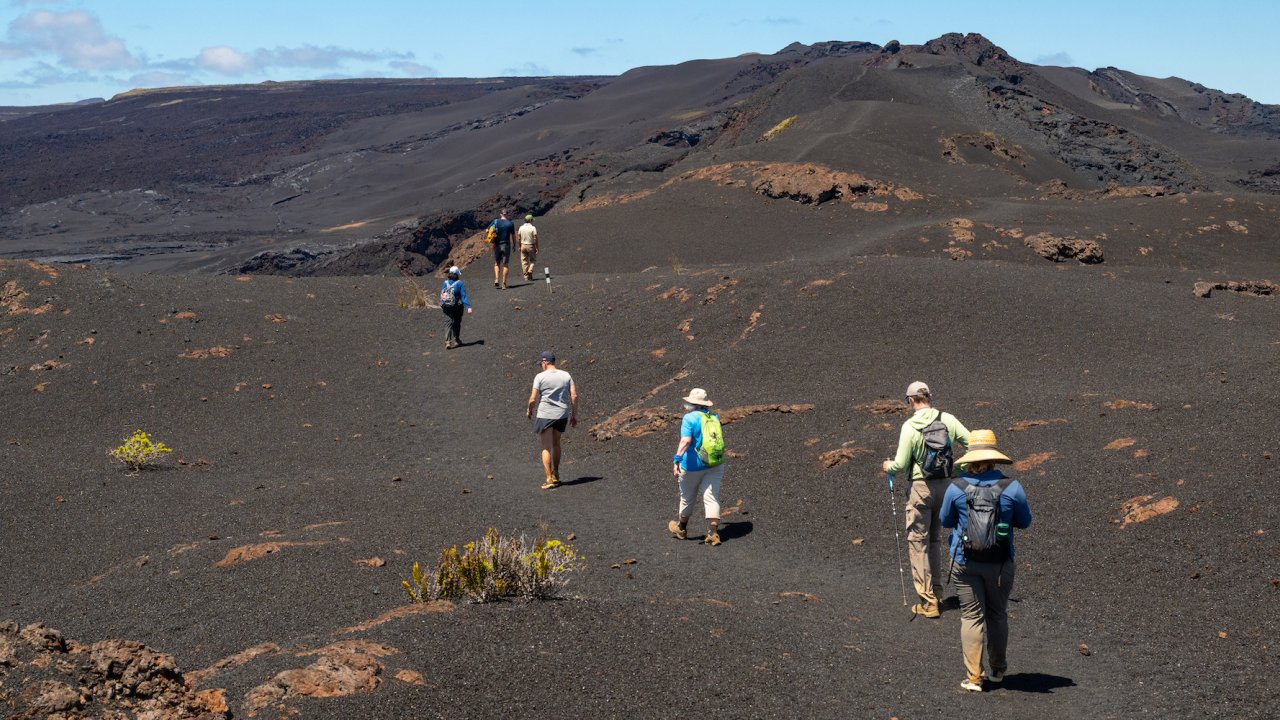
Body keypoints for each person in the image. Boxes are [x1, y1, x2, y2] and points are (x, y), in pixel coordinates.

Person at [939, 429, 1032, 692]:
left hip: (964, 561)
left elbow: (945, 521)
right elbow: (1025, 522)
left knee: (971, 616)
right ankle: (998, 670)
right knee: (997, 614)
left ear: (970, 459)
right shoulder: (1012, 487)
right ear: (994, 457)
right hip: (1000, 563)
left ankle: (974, 677)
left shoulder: (956, 487)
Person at [882, 381, 970, 618]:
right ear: (929, 397)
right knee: (934, 539)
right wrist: (957, 470)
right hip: (945, 487)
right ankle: (938, 594)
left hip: (920, 489)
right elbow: (972, 443)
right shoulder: (947, 419)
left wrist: (888, 466)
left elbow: (900, 464)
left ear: (911, 400)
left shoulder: (909, 426)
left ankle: (928, 602)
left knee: (918, 542)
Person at [668, 388, 726, 546]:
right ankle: (713, 533)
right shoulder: (714, 417)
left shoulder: (689, 418)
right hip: (714, 464)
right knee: (711, 496)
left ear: (692, 404)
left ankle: (681, 528)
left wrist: (677, 459)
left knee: (687, 497)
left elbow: (686, 441)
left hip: (692, 466)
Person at [526, 351, 577, 489]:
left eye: (541, 363)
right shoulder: (566, 375)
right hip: (562, 415)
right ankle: (556, 473)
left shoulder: (540, 377)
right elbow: (574, 396)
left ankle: (548, 478)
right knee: (556, 444)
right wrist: (574, 415)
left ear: (545, 362)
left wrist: (529, 410)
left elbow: (533, 398)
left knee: (546, 447)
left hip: (545, 415)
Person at [438, 266, 471, 349]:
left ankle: (448, 342)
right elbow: (463, 296)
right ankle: (457, 340)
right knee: (457, 322)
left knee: (448, 323)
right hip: (457, 306)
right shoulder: (459, 283)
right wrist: (468, 307)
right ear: (457, 274)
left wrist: (443, 304)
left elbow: (443, 294)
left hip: (446, 306)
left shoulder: (445, 282)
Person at [490, 209, 516, 289]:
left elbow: (488, 230)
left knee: (497, 263)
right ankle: (504, 284)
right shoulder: (510, 223)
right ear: (507, 214)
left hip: (497, 244)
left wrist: (492, 240)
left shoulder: (495, 221)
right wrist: (514, 245)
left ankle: (496, 279)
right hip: (506, 245)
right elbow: (513, 236)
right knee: (505, 264)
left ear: (500, 214)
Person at [517, 213, 539, 281]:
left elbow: (519, 238)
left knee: (524, 261)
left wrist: (519, 246)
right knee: (533, 260)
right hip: (531, 245)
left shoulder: (521, 227)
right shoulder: (533, 228)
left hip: (523, 245)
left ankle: (526, 277)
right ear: (530, 220)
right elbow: (535, 238)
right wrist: (537, 247)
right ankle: (530, 270)